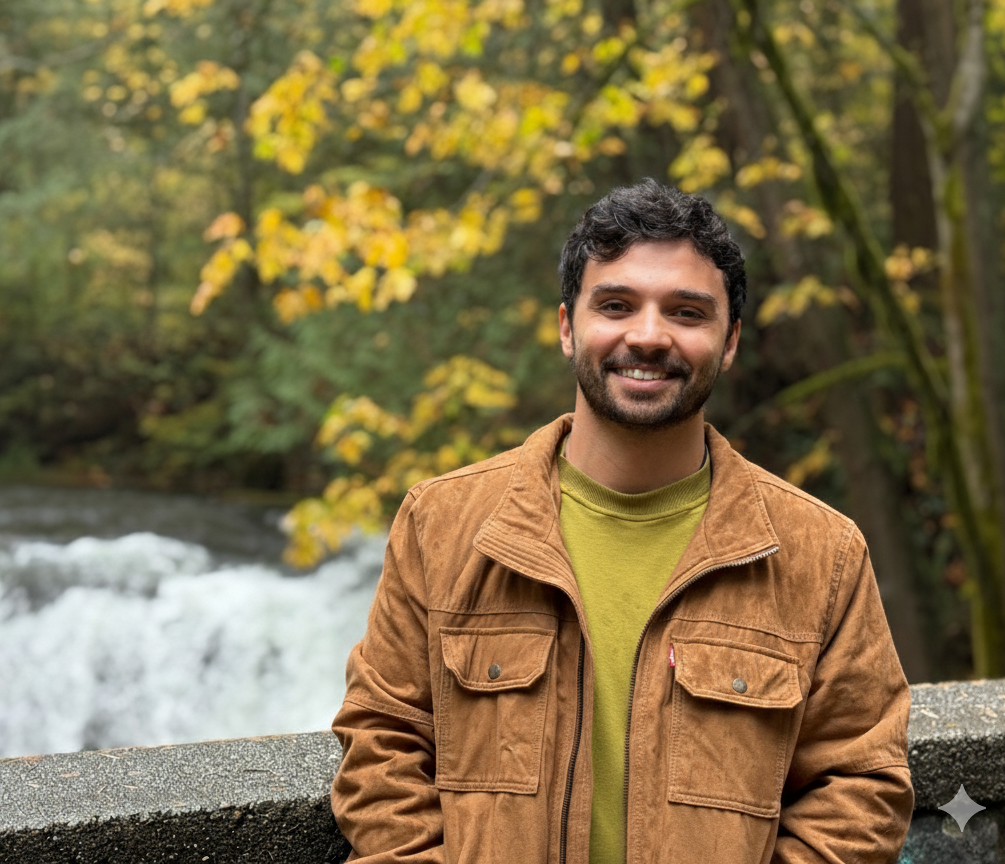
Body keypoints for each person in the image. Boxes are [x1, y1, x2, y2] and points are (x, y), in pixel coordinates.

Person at [331, 179, 913, 864]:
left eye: (687, 312)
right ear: (567, 326)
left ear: (729, 343)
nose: (647, 335)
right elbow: (382, 748)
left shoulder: (822, 554)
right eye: (616, 305)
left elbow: (861, 783)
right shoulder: (443, 524)